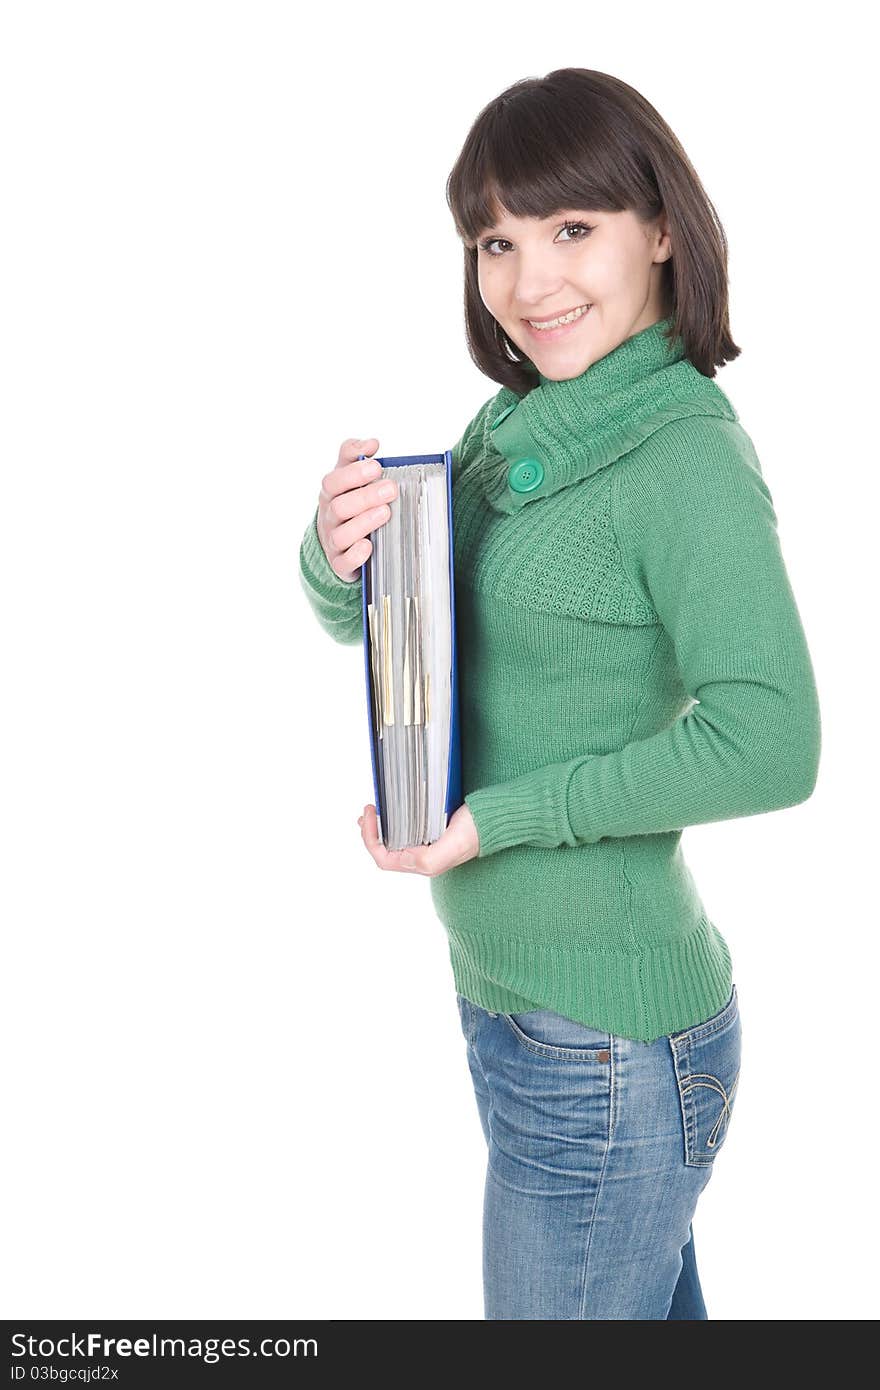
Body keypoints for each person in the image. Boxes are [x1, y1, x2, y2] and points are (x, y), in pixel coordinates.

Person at [298, 68, 821, 1319]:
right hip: (525, 1012)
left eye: (570, 230)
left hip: (605, 1045)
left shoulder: (679, 455)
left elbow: (773, 740)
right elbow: (406, 623)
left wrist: (512, 816)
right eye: (497, 241)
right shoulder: (521, 419)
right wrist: (336, 552)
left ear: (658, 229)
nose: (530, 283)